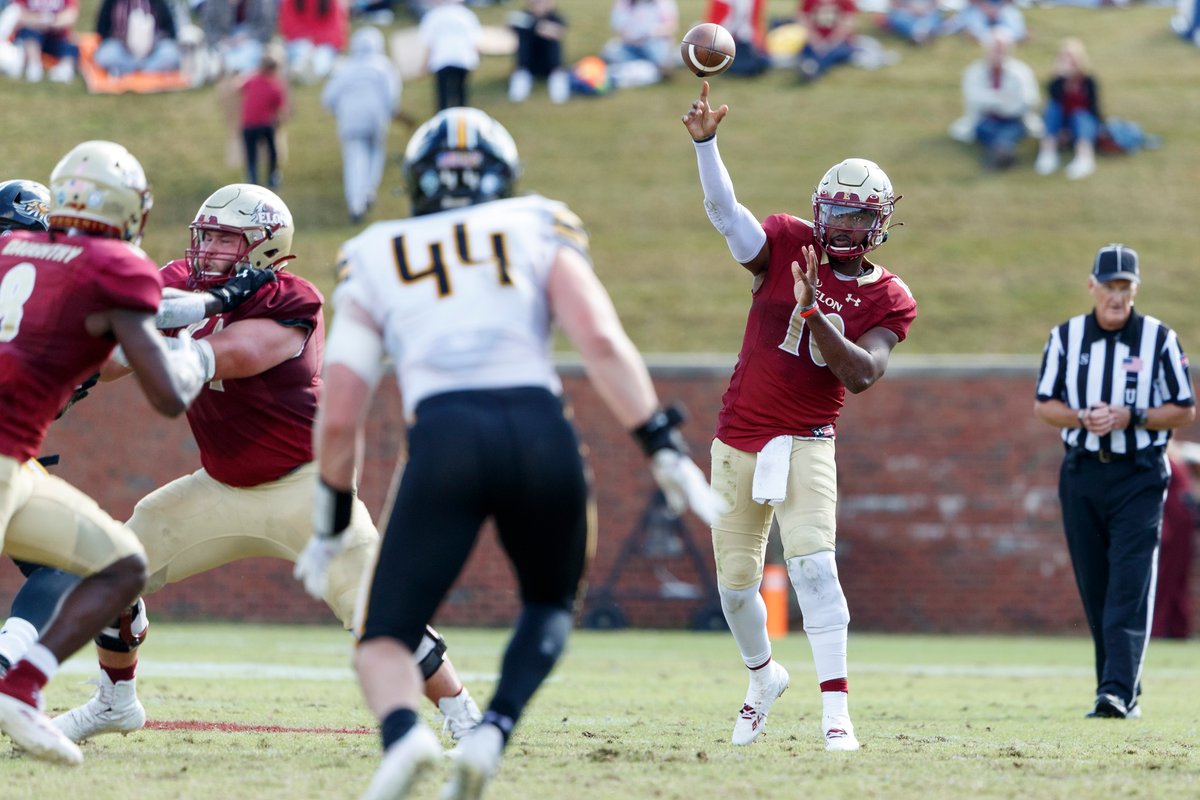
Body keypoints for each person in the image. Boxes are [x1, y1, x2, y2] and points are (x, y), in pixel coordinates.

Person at [292, 106, 722, 800]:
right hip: (539, 429)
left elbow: (341, 413)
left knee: (384, 636)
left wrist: (329, 518)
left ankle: (403, 738)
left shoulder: (375, 250)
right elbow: (602, 342)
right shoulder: (535, 222)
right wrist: (661, 445)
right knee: (550, 603)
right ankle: (491, 730)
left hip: (444, 439)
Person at [45, 183, 482, 745]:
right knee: (111, 570)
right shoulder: (180, 280)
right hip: (222, 487)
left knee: (378, 609)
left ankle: (465, 716)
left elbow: (225, 356)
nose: (207, 249)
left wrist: (149, 326)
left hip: (307, 489)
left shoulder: (292, 300)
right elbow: (109, 361)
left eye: (225, 238)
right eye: (205, 234)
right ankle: (114, 702)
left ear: (264, 248)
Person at [680, 82, 917, 751]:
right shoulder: (788, 243)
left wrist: (815, 314)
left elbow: (864, 374)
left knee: (814, 568)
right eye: (835, 213)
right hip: (738, 436)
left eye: (855, 216)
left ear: (878, 222)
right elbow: (727, 217)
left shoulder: (888, 296)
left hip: (808, 440)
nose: (841, 227)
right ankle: (763, 677)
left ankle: (836, 711)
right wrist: (707, 146)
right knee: (733, 590)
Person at [0, 140, 210, 765]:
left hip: (14, 461)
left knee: (120, 565)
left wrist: (212, 303)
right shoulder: (110, 266)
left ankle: (20, 684)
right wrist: (198, 356)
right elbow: (168, 396)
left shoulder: (14, 248)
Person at [1034, 243, 1195, 719]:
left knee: (1130, 578)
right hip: (1082, 470)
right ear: (1093, 287)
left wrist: (1133, 416)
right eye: (1109, 286)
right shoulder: (1065, 338)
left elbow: (1184, 409)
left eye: (1125, 287)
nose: (1117, 296)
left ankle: (1116, 692)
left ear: (1135, 290)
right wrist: (1084, 417)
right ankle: (1120, 684)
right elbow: (1045, 404)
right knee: (1096, 583)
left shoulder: (1159, 340)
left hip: (1139, 474)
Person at [321, 26, 407, 224]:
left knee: (354, 158)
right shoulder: (383, 66)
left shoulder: (344, 67)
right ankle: (368, 192)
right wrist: (390, 111)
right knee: (375, 154)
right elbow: (392, 96)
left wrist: (339, 109)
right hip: (376, 117)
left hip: (350, 119)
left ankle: (356, 203)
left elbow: (328, 97)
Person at [948, 27, 1042, 170]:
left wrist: (1003, 106)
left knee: (1009, 131)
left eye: (1002, 49)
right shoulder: (973, 72)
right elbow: (975, 99)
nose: (998, 53)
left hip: (1014, 120)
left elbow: (1028, 100)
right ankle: (1004, 152)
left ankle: (998, 153)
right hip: (985, 120)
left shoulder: (1021, 72)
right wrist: (1003, 99)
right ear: (987, 49)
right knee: (988, 129)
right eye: (995, 48)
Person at [1034, 38, 1101, 181]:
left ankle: (1085, 158)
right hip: (1061, 124)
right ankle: (1048, 153)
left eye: (1071, 58)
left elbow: (1094, 109)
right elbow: (1052, 101)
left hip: (1082, 124)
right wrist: (1060, 79)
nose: (1068, 61)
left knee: (1080, 114)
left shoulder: (1089, 81)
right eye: (1064, 58)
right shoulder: (1057, 81)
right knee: (1053, 109)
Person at [1152, 440, 1195, 639]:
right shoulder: (1160, 454)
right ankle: (1158, 628)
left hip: (1183, 530)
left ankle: (1178, 628)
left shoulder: (1179, 453)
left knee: (1178, 580)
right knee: (1164, 580)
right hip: (1171, 527)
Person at [418, 0, 481, 112]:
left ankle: (444, 122)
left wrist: (424, 65)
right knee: (461, 93)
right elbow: (475, 41)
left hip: (441, 60)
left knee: (443, 96)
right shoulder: (466, 15)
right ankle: (463, 122)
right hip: (463, 59)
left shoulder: (434, 15)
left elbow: (429, 44)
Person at [239, 52, 289, 188]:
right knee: (272, 153)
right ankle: (271, 178)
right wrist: (279, 123)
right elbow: (279, 110)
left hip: (249, 125)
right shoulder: (275, 86)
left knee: (252, 155)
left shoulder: (252, 79)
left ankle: (253, 180)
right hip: (264, 124)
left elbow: (239, 87)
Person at [93, 0, 181, 77]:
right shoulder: (111, 1)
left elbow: (170, 30)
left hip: (152, 52)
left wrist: (152, 41)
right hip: (122, 50)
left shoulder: (157, 2)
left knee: (171, 53)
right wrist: (123, 40)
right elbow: (101, 29)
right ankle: (143, 70)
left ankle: (137, 70)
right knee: (106, 55)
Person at [507, 0, 569, 104]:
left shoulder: (555, 17)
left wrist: (535, 25)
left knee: (559, 90)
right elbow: (508, 28)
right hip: (527, 64)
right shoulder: (522, 17)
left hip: (551, 64)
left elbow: (557, 31)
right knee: (517, 92)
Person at [600, 0, 678, 82]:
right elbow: (620, 30)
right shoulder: (624, 3)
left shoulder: (663, 3)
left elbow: (670, 29)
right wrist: (634, 38)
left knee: (655, 56)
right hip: (630, 47)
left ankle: (655, 69)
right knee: (611, 50)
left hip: (654, 47)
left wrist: (650, 33)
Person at [278, 0, 349, 84]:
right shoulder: (290, 2)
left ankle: (313, 72)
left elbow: (336, 29)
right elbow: (288, 24)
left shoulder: (332, 2)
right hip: (300, 43)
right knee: (301, 49)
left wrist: (316, 40)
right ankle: (301, 70)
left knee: (322, 55)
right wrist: (307, 39)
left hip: (323, 45)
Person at [13, 0, 79, 82]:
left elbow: (70, 15)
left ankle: (65, 68)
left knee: (71, 42)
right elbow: (17, 13)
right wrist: (39, 21)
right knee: (29, 34)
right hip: (33, 30)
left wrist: (52, 21)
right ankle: (34, 65)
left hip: (56, 33)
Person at [796, 0, 857, 82]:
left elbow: (847, 24)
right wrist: (816, 41)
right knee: (807, 50)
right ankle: (812, 68)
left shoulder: (845, 1)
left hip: (839, 42)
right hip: (815, 41)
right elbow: (804, 21)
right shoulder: (809, 1)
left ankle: (813, 68)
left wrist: (830, 42)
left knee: (838, 52)